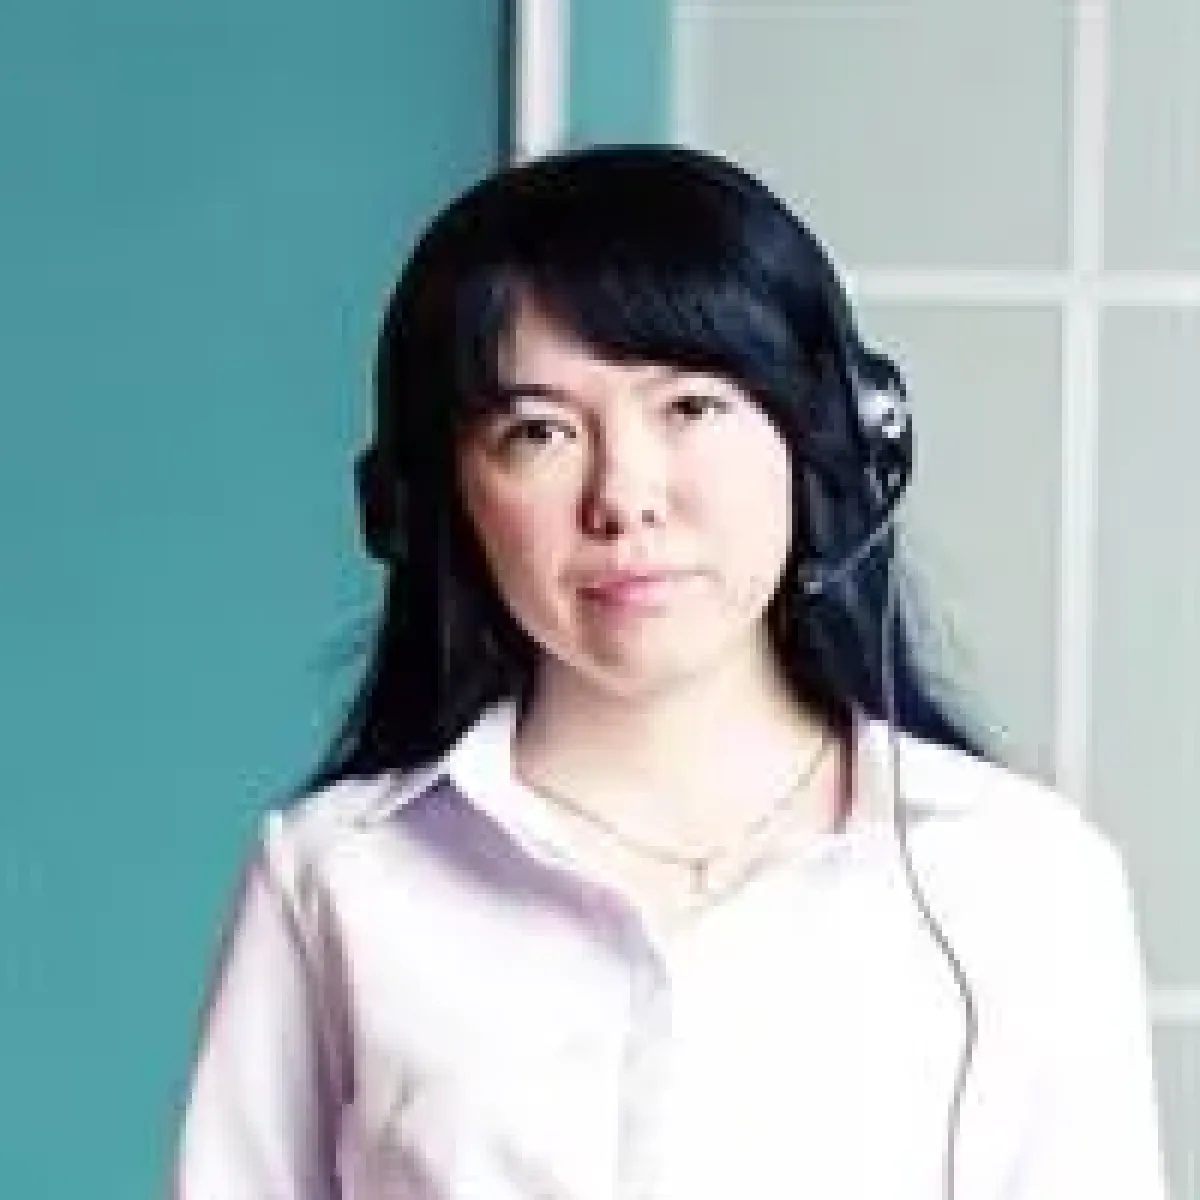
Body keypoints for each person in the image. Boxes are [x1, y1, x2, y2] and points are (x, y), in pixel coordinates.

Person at [171, 145, 1167, 1200]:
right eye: (539, 431)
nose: (625, 496)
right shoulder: (335, 878)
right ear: (435, 502)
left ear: (826, 442)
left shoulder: (1019, 878)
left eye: (691, 408)